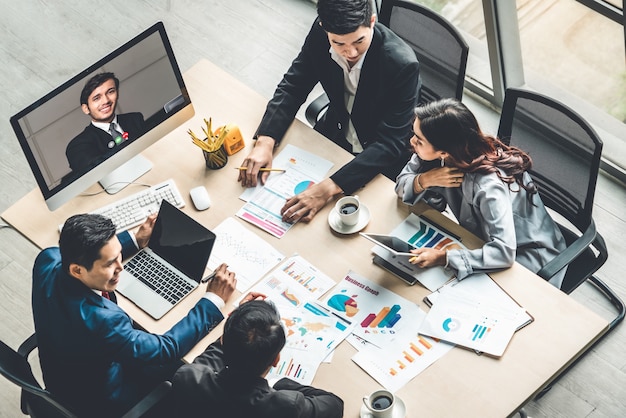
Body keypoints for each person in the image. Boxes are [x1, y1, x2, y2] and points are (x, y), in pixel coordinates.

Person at [31, 213, 236, 417]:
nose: (121, 267)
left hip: (61, 373)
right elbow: (166, 348)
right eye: (110, 263)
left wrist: (134, 241)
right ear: (77, 270)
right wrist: (212, 301)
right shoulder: (104, 321)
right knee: (186, 367)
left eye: (118, 255)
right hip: (101, 400)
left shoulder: (48, 258)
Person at [238, 0, 420, 223]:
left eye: (359, 41)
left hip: (378, 159)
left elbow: (390, 143)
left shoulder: (402, 64)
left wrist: (326, 189)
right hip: (336, 134)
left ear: (372, 22)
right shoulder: (320, 32)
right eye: (338, 43)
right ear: (324, 28)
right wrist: (265, 141)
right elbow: (294, 85)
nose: (350, 52)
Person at [395, 98, 567, 288]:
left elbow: (504, 251)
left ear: (444, 151)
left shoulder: (489, 187)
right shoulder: (440, 153)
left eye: (419, 140)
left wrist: (444, 257)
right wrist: (425, 180)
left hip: (528, 255)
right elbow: (401, 185)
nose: (412, 141)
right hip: (481, 240)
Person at [170, 298, 344, 418]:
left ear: (224, 342)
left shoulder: (189, 377)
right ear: (276, 360)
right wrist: (281, 384)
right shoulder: (286, 406)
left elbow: (211, 358)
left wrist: (239, 324)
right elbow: (335, 405)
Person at [66, 72, 145, 172]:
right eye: (97, 98)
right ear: (86, 108)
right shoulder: (78, 145)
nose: (106, 101)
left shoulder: (135, 119)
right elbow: (98, 173)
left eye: (110, 92)